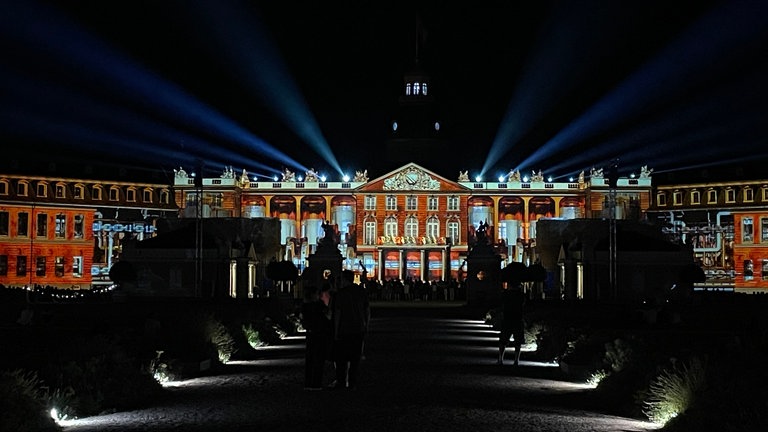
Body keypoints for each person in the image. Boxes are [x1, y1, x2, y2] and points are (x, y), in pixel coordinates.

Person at [330, 270, 370, 389]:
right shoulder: (361, 291)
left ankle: (341, 381)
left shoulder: (341, 294)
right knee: (355, 358)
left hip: (344, 329)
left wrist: (336, 331)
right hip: (358, 328)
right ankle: (352, 382)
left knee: (341, 358)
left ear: (344, 279)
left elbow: (338, 313)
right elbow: (367, 310)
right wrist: (366, 325)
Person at [300, 285, 333, 390]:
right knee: (319, 359)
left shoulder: (305, 306)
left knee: (310, 358)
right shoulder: (319, 305)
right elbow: (328, 316)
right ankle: (316, 383)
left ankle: (308, 383)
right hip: (320, 333)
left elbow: (303, 321)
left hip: (310, 333)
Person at [498, 281, 526, 366]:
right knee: (518, 341)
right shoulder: (521, 295)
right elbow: (524, 306)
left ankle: (500, 359)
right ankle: (516, 360)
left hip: (507, 318)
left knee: (503, 340)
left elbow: (501, 305)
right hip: (517, 319)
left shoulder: (506, 294)